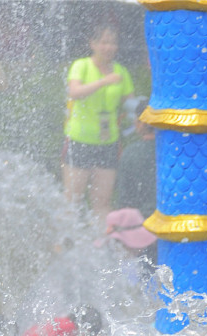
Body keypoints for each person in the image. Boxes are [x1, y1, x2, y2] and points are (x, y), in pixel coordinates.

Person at [63, 23, 132, 218]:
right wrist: (103, 81)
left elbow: (131, 103)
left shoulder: (121, 72)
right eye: (104, 42)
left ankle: (100, 245)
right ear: (93, 44)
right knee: (72, 200)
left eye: (113, 43)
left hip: (108, 143)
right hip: (79, 141)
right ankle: (62, 247)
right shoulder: (81, 66)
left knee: (102, 201)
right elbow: (74, 92)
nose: (109, 47)